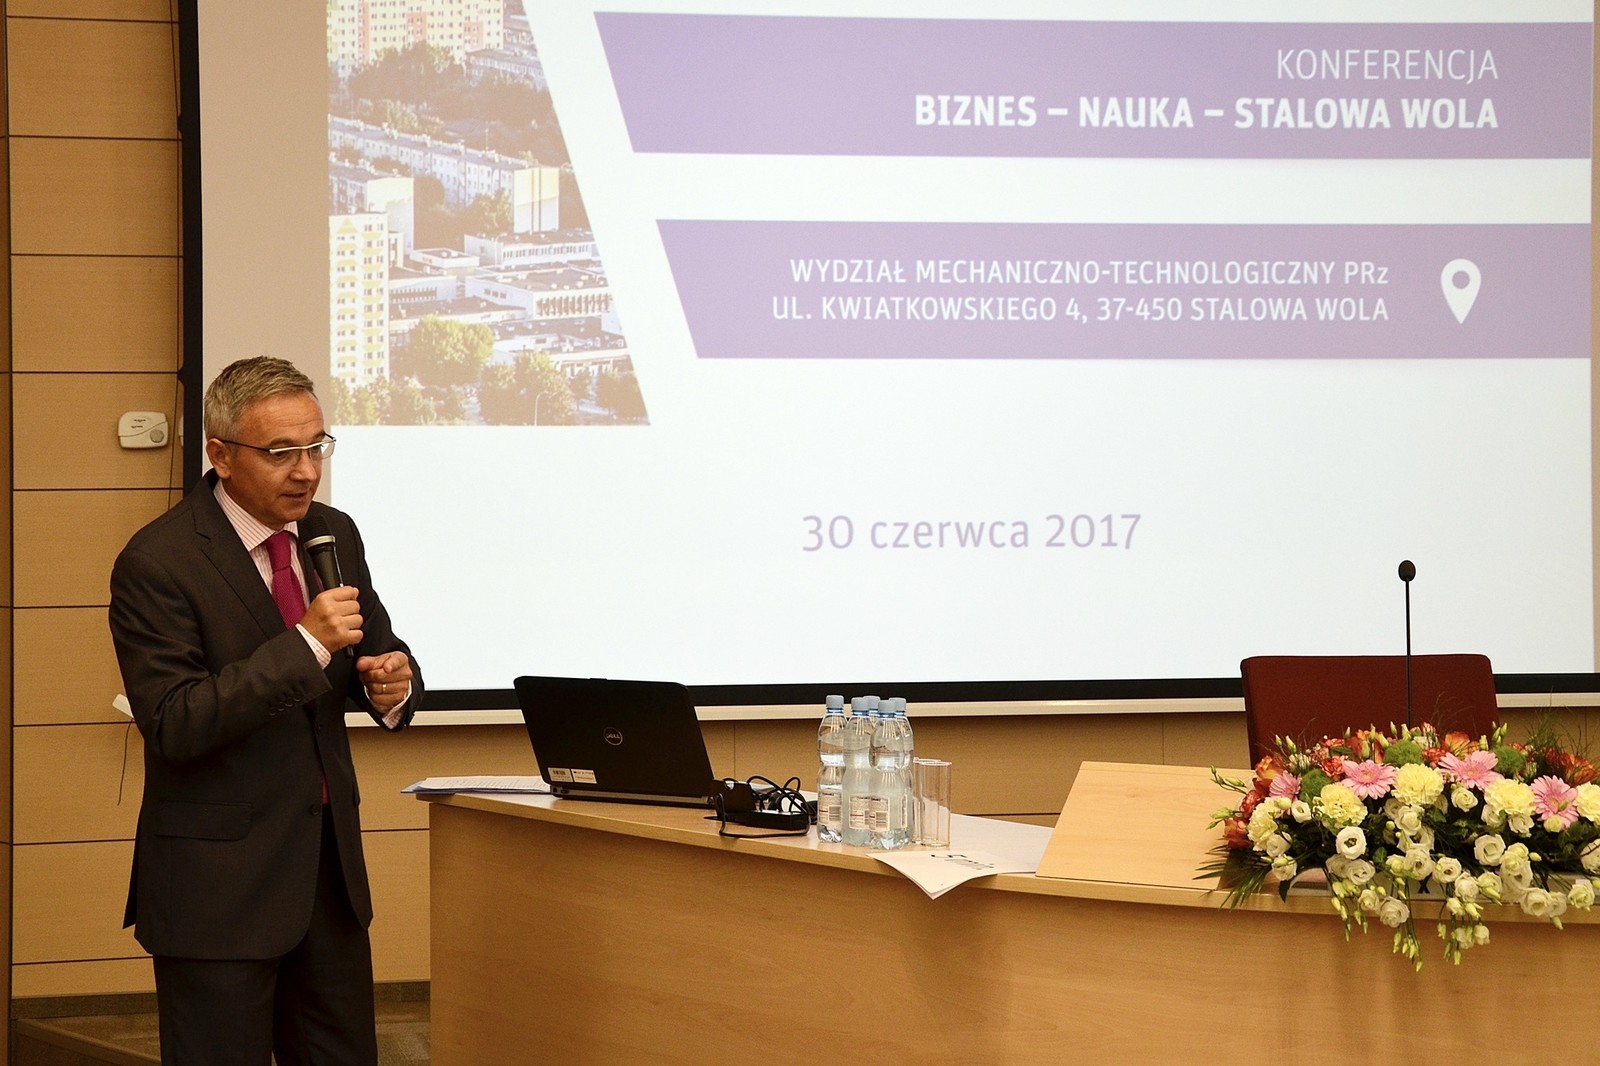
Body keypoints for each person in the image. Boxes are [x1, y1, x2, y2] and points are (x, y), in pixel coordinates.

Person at [108, 356, 422, 1066]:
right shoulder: (159, 561)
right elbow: (175, 721)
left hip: (328, 880)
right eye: (282, 453)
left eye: (317, 447)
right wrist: (306, 644)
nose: (306, 472)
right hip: (218, 891)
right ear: (220, 455)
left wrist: (392, 685)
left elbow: (375, 648)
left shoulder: (333, 532)